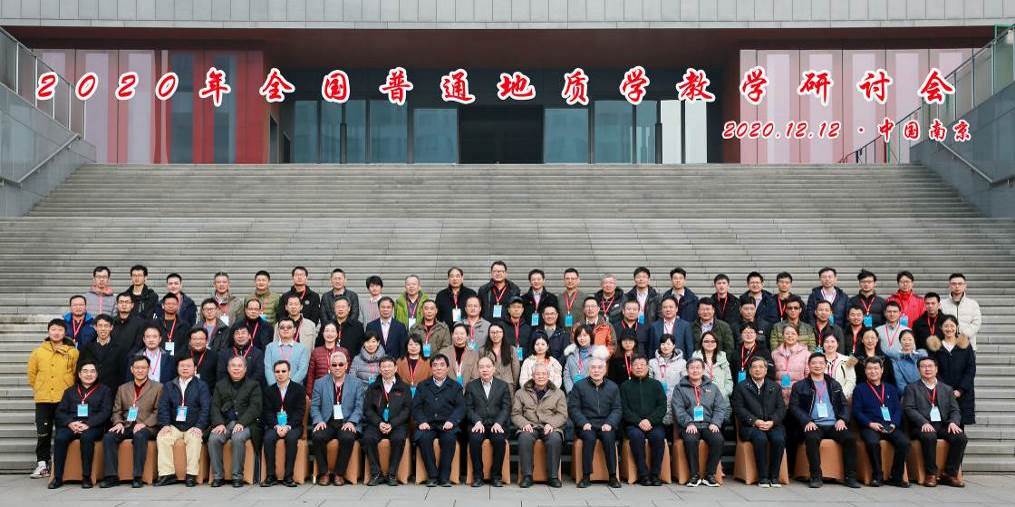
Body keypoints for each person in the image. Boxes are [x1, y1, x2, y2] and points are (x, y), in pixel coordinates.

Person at [788, 352, 861, 488]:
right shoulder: (799, 386)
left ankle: (850, 477)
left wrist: (842, 419)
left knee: (850, 439)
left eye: (821, 363)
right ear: (809, 365)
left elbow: (844, 405)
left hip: (834, 424)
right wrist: (807, 421)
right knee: (811, 439)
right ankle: (815, 476)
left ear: (826, 365)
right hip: (813, 424)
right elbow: (794, 406)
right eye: (814, 363)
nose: (817, 366)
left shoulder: (834, 384)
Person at [903, 357, 968, 487]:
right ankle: (931, 474)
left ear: (936, 369)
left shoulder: (947, 389)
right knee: (929, 436)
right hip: (921, 426)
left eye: (930, 366)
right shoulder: (911, 388)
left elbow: (955, 409)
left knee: (960, 437)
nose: (927, 369)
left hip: (943, 425)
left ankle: (949, 474)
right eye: (923, 366)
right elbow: (909, 408)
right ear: (919, 370)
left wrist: (953, 422)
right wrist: (923, 422)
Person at [100, 355, 163, 488]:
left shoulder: (158, 387)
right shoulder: (123, 388)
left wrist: (145, 424)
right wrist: (118, 422)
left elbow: (159, 411)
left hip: (148, 426)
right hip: (126, 425)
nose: (140, 370)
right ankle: (111, 476)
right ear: (131, 369)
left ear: (149, 369)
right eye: (137, 368)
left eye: (143, 368)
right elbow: (117, 410)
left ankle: (137, 477)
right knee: (109, 437)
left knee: (140, 436)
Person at [28, 318, 80, 479]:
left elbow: (75, 373)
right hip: (43, 399)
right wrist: (40, 388)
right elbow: (32, 375)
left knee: (64, 432)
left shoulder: (72, 352)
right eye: (53, 329)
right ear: (48, 331)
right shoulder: (38, 352)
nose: (56, 333)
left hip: (64, 399)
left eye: (60, 330)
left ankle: (62, 465)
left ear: (65, 333)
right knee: (43, 433)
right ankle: (42, 464)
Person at [48, 361, 113, 489]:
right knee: (60, 438)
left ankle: (86, 477)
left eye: (92, 371)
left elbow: (105, 412)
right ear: (79, 374)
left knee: (87, 438)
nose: (89, 374)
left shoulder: (105, 390)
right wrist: (70, 423)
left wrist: (88, 424)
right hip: (72, 424)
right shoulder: (69, 391)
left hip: (93, 426)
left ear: (97, 374)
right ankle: (58, 478)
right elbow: (60, 412)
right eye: (85, 371)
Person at [852, 357, 910, 487]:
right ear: (865, 371)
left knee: (904, 443)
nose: (873, 371)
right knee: (872, 442)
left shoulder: (891, 388)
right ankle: (877, 476)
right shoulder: (859, 389)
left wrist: (894, 424)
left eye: (876, 368)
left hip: (890, 425)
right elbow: (857, 411)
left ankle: (896, 477)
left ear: (882, 370)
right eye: (869, 368)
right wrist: (870, 424)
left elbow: (898, 409)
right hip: (870, 426)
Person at [310, 349, 364, 486]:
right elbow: (314, 406)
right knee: (317, 436)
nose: (337, 367)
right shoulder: (320, 383)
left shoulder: (356, 383)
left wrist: (352, 422)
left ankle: (339, 474)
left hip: (347, 422)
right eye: (334, 365)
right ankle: (324, 473)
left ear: (346, 366)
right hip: (327, 422)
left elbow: (359, 407)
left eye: (341, 364)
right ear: (329, 366)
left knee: (347, 437)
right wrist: (319, 420)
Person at [672, 358, 728, 487]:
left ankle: (710, 475)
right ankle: (694, 475)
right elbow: (678, 409)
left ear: (703, 370)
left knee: (718, 440)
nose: (695, 370)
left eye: (698, 367)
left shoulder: (712, 387)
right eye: (692, 368)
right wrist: (688, 423)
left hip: (708, 424)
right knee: (691, 440)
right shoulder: (680, 388)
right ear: (687, 370)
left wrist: (715, 422)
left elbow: (720, 407)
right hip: (690, 425)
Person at [155, 356, 211, 487]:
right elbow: (163, 407)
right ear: (177, 368)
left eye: (188, 366)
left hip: (193, 426)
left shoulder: (202, 386)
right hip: (174, 426)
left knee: (194, 439)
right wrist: (165, 425)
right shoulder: (169, 385)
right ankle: (167, 474)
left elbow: (206, 408)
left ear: (195, 368)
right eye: (182, 366)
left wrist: (199, 426)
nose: (185, 368)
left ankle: (191, 475)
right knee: (162, 437)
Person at [731, 356, 786, 488]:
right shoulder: (741, 387)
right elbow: (738, 409)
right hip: (750, 426)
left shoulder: (775, 386)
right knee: (760, 438)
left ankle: (774, 477)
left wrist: (772, 421)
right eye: (754, 367)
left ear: (766, 370)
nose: (757, 370)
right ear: (749, 370)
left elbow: (781, 408)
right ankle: (763, 477)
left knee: (779, 439)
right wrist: (755, 421)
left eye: (761, 367)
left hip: (772, 424)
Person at [568, 357, 622, 488]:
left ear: (605, 370)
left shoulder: (613, 387)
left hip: (606, 424)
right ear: (588, 369)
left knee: (609, 438)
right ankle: (586, 476)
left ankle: (613, 476)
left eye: (599, 367)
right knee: (589, 438)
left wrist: (610, 423)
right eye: (593, 367)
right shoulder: (579, 386)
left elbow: (617, 409)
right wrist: (583, 422)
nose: (596, 370)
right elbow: (573, 408)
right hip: (586, 424)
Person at [412, 354, 466, 487]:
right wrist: (422, 421)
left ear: (447, 368)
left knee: (449, 439)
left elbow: (461, 407)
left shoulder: (455, 386)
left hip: (447, 424)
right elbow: (416, 407)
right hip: (428, 424)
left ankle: (444, 477)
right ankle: (432, 476)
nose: (438, 368)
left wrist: (452, 421)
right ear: (431, 368)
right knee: (423, 439)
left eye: (442, 365)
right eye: (435, 365)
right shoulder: (423, 385)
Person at [207, 356, 262, 487]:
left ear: (245, 369)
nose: (236, 369)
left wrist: (241, 423)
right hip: (226, 423)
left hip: (247, 424)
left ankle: (237, 476)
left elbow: (255, 408)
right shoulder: (220, 385)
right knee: (214, 438)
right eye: (233, 366)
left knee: (238, 437)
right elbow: (215, 406)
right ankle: (218, 476)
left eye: (239, 366)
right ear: (228, 368)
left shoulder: (254, 385)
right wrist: (219, 423)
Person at [512, 362, 567, 488]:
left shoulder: (558, 393)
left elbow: (562, 414)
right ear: (532, 376)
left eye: (543, 374)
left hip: (550, 426)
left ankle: (553, 477)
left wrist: (552, 424)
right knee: (524, 437)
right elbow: (515, 414)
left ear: (548, 375)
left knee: (555, 438)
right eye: (537, 374)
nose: (541, 376)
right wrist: (524, 423)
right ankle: (527, 476)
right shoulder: (521, 393)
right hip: (530, 425)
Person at [362, 355, 412, 486]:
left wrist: (392, 424)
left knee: (398, 439)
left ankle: (392, 474)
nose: (386, 369)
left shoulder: (404, 387)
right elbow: (368, 409)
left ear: (395, 368)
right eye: (383, 367)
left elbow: (407, 410)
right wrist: (379, 423)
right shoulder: (373, 387)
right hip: (377, 424)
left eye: (389, 366)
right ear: (379, 369)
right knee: (368, 438)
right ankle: (376, 473)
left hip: (397, 425)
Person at [620, 355, 667, 486]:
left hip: (654, 424)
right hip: (633, 424)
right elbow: (624, 408)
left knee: (658, 436)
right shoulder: (625, 386)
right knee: (636, 436)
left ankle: (655, 475)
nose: (639, 367)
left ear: (647, 367)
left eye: (642, 365)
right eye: (636, 365)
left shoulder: (656, 384)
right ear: (631, 367)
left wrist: (650, 421)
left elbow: (662, 406)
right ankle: (643, 474)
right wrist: (638, 421)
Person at [465, 357, 512, 487]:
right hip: (478, 424)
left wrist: (498, 422)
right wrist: (477, 421)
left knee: (499, 440)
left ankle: (496, 476)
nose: (484, 370)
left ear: (493, 368)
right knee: (474, 440)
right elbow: (468, 408)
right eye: (481, 367)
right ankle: (478, 476)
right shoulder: (471, 386)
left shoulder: (503, 385)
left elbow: (506, 407)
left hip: (496, 424)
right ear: (478, 369)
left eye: (488, 366)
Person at [261, 360, 306, 487]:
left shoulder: (299, 389)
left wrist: (287, 426)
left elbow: (299, 412)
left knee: (291, 438)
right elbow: (268, 412)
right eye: (277, 371)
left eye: (283, 371)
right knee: (268, 438)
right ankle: (271, 476)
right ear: (274, 373)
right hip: (274, 425)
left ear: (289, 372)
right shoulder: (269, 390)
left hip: (293, 425)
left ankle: (288, 476)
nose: (280, 374)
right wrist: (276, 426)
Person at [926, 315, 976, 426]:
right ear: (941, 327)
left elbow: (970, 370)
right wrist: (945, 390)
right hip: (940, 391)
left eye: (952, 326)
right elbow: (932, 369)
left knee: (959, 426)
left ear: (957, 327)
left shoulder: (965, 346)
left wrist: (960, 390)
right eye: (946, 326)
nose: (949, 329)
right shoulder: (935, 347)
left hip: (961, 393)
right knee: (941, 424)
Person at [80, 314, 128, 391]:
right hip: (90, 390)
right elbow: (80, 369)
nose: (103, 329)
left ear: (111, 327)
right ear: (95, 327)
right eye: (100, 326)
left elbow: (123, 373)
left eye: (106, 326)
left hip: (112, 390)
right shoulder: (86, 347)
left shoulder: (120, 348)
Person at [647, 334, 687, 428]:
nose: (665, 346)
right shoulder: (652, 362)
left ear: (674, 346)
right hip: (657, 400)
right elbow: (649, 382)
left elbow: (684, 383)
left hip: (676, 399)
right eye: (663, 344)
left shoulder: (682, 363)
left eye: (668, 344)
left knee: (675, 428)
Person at [939, 273, 982, 350]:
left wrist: (963, 335)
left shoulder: (973, 304)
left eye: (960, 284)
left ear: (965, 286)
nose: (957, 286)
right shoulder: (942, 304)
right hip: (947, 345)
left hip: (968, 345)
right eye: (954, 284)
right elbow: (939, 323)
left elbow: (976, 323)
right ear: (949, 286)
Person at [263, 318, 310, 386]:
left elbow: (302, 370)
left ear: (295, 330)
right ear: (278, 330)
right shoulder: (270, 347)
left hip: (295, 388)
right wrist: (275, 387)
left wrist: (289, 386)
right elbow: (268, 369)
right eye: (282, 327)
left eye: (289, 327)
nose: (285, 329)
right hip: (274, 389)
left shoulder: (302, 348)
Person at [307, 322, 352, 389]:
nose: (329, 334)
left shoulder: (344, 352)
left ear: (337, 334)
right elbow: (311, 375)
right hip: (320, 389)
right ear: (323, 333)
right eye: (327, 331)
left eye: (333, 331)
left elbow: (347, 373)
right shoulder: (316, 352)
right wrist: (309, 392)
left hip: (339, 389)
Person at [692, 331, 733, 398]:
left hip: (721, 397)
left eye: (713, 341)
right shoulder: (695, 358)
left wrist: (724, 393)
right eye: (706, 341)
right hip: (701, 398)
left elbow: (728, 380)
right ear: (701, 343)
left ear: (716, 343)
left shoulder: (723, 358)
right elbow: (691, 381)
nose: (710, 343)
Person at [482, 322, 521, 389]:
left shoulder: (511, 349)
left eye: (498, 332)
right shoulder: (483, 351)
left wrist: (514, 384)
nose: (495, 335)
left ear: (503, 333)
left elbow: (516, 368)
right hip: (489, 386)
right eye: (492, 332)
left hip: (507, 385)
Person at [772, 326, 809, 398]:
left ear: (798, 336)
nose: (790, 336)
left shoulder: (806, 354)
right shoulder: (774, 353)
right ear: (783, 336)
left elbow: (808, 376)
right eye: (787, 333)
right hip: (778, 395)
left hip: (798, 395)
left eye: (793, 333)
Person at [441, 322, 480, 387]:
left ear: (467, 336)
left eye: (462, 334)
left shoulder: (474, 354)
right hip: (447, 389)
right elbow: (441, 374)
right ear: (452, 335)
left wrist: (468, 390)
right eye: (456, 334)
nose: (459, 336)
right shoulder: (444, 353)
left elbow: (475, 376)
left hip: (468, 390)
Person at [821, 334, 857, 399]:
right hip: (821, 397)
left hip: (841, 397)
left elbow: (851, 381)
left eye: (833, 341)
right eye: (826, 342)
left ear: (837, 344)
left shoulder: (849, 359)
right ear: (822, 344)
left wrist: (841, 395)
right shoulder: (817, 359)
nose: (830, 344)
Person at [563, 324, 597, 392]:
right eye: (579, 336)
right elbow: (567, 375)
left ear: (591, 336)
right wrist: (571, 392)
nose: (582, 338)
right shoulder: (571, 353)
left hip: (591, 393)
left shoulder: (597, 354)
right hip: (573, 393)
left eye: (585, 335)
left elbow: (598, 376)